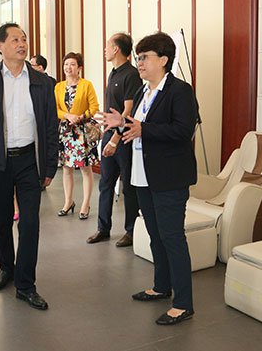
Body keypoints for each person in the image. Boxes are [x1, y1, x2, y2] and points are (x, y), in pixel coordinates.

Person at [98, 32, 198, 325]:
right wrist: (122, 123)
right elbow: (137, 125)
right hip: (142, 176)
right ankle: (161, 286)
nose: (139, 62)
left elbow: (183, 130)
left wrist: (144, 129)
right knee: (155, 235)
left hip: (169, 178)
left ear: (164, 60)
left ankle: (183, 303)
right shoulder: (144, 91)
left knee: (172, 238)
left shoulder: (180, 91)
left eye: (144, 57)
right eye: (138, 57)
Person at [0, 23, 58, 310]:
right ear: (0, 46)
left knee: (30, 223)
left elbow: (51, 126)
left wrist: (50, 166)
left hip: (30, 161)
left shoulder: (42, 82)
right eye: (15, 39)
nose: (22, 44)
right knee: (2, 219)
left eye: (24, 39)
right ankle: (6, 268)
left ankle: (26, 284)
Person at [87, 33, 142, 247]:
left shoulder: (131, 75)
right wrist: (107, 137)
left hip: (124, 139)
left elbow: (128, 111)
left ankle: (131, 231)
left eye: (108, 45)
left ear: (116, 49)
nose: (105, 49)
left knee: (128, 186)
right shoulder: (113, 73)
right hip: (110, 136)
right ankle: (103, 228)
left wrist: (115, 141)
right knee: (106, 184)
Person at [54, 52, 99, 219]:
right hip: (66, 132)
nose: (68, 67)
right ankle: (68, 202)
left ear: (79, 68)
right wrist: (67, 116)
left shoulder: (86, 85)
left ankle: (85, 204)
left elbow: (94, 107)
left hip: (82, 132)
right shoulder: (58, 87)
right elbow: (55, 109)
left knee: (86, 169)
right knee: (67, 168)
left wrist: (80, 117)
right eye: (66, 64)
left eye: (72, 64)